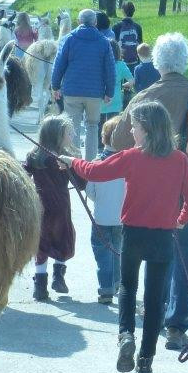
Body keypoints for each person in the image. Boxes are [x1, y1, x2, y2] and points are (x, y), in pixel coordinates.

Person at [65, 101, 188, 373]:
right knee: (154, 300)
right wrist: (181, 219)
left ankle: (126, 334)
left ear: (148, 130)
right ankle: (145, 362)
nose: (131, 130)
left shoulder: (131, 157)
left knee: (127, 286)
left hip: (134, 233)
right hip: (163, 237)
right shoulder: (179, 160)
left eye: (135, 126)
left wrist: (70, 162)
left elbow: (94, 171)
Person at [110, 33, 188, 351]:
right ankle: (176, 325)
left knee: (155, 250)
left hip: (154, 189)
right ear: (185, 61)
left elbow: (119, 143)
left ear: (159, 63)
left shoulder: (145, 97)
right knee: (187, 250)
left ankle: (154, 310)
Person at [24, 116, 85, 300]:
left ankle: (40, 286)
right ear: (57, 136)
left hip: (40, 206)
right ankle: (58, 277)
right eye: (68, 133)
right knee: (63, 240)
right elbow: (81, 183)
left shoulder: (33, 156)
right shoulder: (64, 158)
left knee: (41, 245)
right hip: (60, 206)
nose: (71, 135)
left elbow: (24, 174)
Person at [52, 8, 114, 161]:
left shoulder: (68, 39)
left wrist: (55, 86)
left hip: (72, 91)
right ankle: (90, 164)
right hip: (95, 93)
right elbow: (110, 69)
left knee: (73, 128)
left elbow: (59, 64)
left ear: (79, 21)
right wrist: (109, 92)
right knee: (92, 127)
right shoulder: (104, 42)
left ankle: (74, 162)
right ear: (95, 22)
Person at [86, 115, 125, 304]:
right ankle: (117, 283)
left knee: (103, 253)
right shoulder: (128, 164)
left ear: (103, 138)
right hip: (123, 217)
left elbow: (90, 192)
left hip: (101, 217)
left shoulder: (96, 163)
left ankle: (105, 289)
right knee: (118, 250)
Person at [100, 40, 134, 150]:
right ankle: (111, 146)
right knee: (112, 126)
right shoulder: (121, 65)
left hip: (100, 99)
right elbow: (132, 81)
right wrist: (124, 85)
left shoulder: (99, 63)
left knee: (98, 125)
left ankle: (99, 147)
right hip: (115, 100)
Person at [111, 1, 143, 72]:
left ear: (122, 11)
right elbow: (140, 44)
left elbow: (114, 45)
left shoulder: (116, 27)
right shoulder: (137, 27)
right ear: (134, 11)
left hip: (120, 62)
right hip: (135, 60)